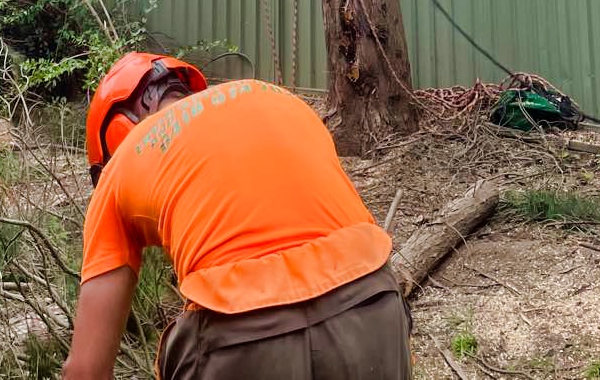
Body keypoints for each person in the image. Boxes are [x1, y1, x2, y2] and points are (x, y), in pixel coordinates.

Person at [63, 52, 411, 380]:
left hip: (242, 334)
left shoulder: (121, 166)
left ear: (117, 131)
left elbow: (86, 371)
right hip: (374, 306)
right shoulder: (279, 99)